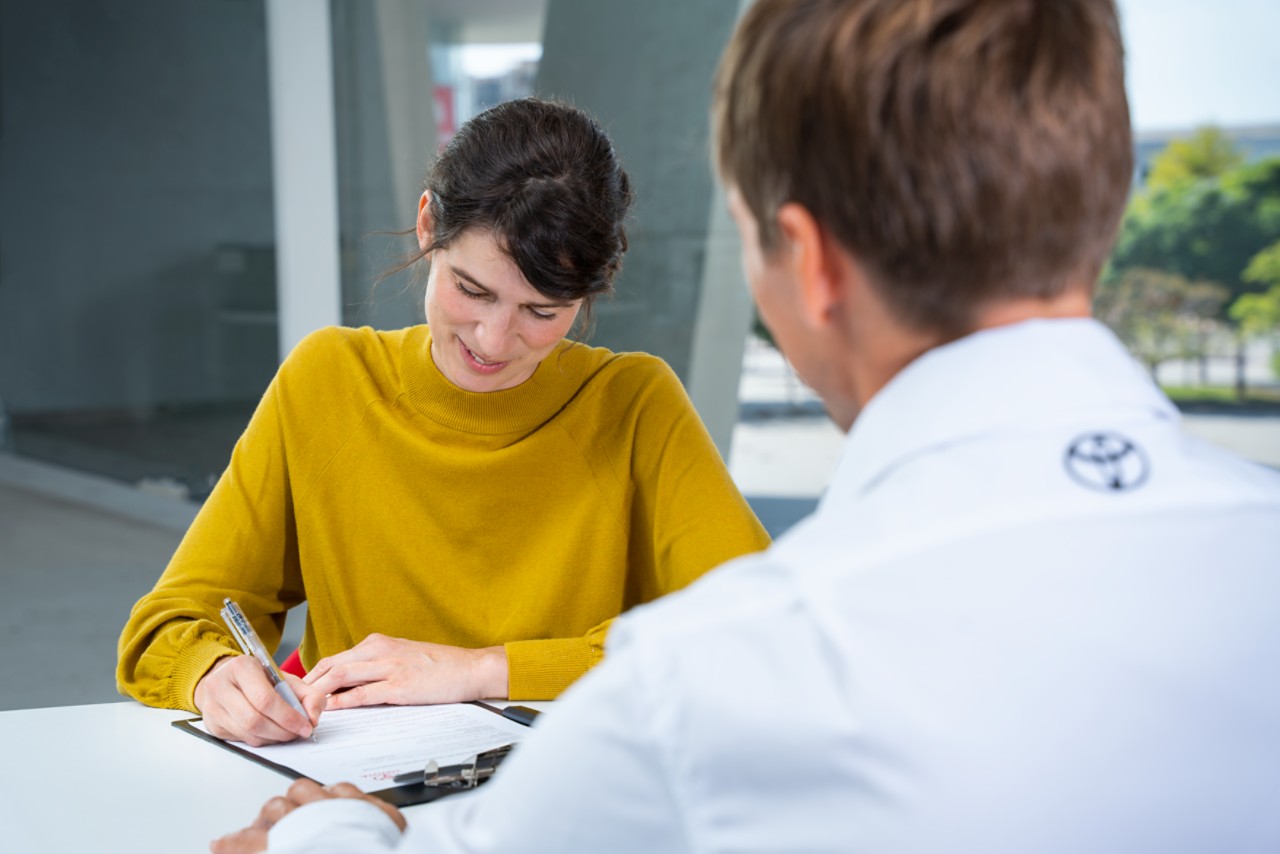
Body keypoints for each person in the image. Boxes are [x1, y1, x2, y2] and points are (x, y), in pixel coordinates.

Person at [214, 0, 1280, 850]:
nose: (500, 334)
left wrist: (329, 829)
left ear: (806, 262)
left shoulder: (715, 679)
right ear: (1098, 205)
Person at [117, 97, 770, 747]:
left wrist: (480, 671)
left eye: (541, 312)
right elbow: (170, 623)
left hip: (576, 788)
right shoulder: (327, 383)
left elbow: (758, 636)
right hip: (363, 796)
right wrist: (211, 675)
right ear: (428, 224)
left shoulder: (634, 404)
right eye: (473, 290)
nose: (494, 339)